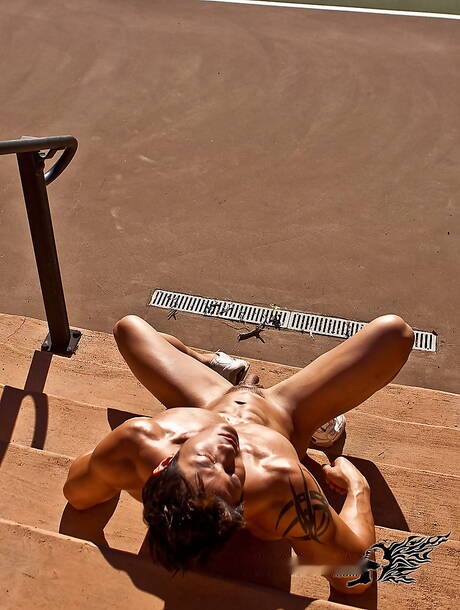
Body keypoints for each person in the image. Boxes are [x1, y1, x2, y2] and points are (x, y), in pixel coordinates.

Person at [64, 313, 414, 594]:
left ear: (163, 466)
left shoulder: (138, 441)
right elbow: (355, 575)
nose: (229, 449)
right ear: (239, 507)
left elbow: (78, 494)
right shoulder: (281, 485)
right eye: (234, 475)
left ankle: (209, 364)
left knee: (128, 328)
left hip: (205, 399)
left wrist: (108, 466)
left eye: (207, 460)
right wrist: (357, 488)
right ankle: (320, 423)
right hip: (287, 414)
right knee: (395, 333)